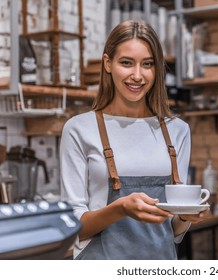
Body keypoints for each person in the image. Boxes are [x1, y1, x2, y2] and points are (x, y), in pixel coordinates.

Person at [60, 20, 209, 260]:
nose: (137, 76)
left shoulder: (177, 131)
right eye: (126, 63)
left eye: (147, 64)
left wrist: (184, 217)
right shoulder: (79, 129)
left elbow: (173, 232)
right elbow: (73, 228)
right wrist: (120, 208)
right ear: (108, 64)